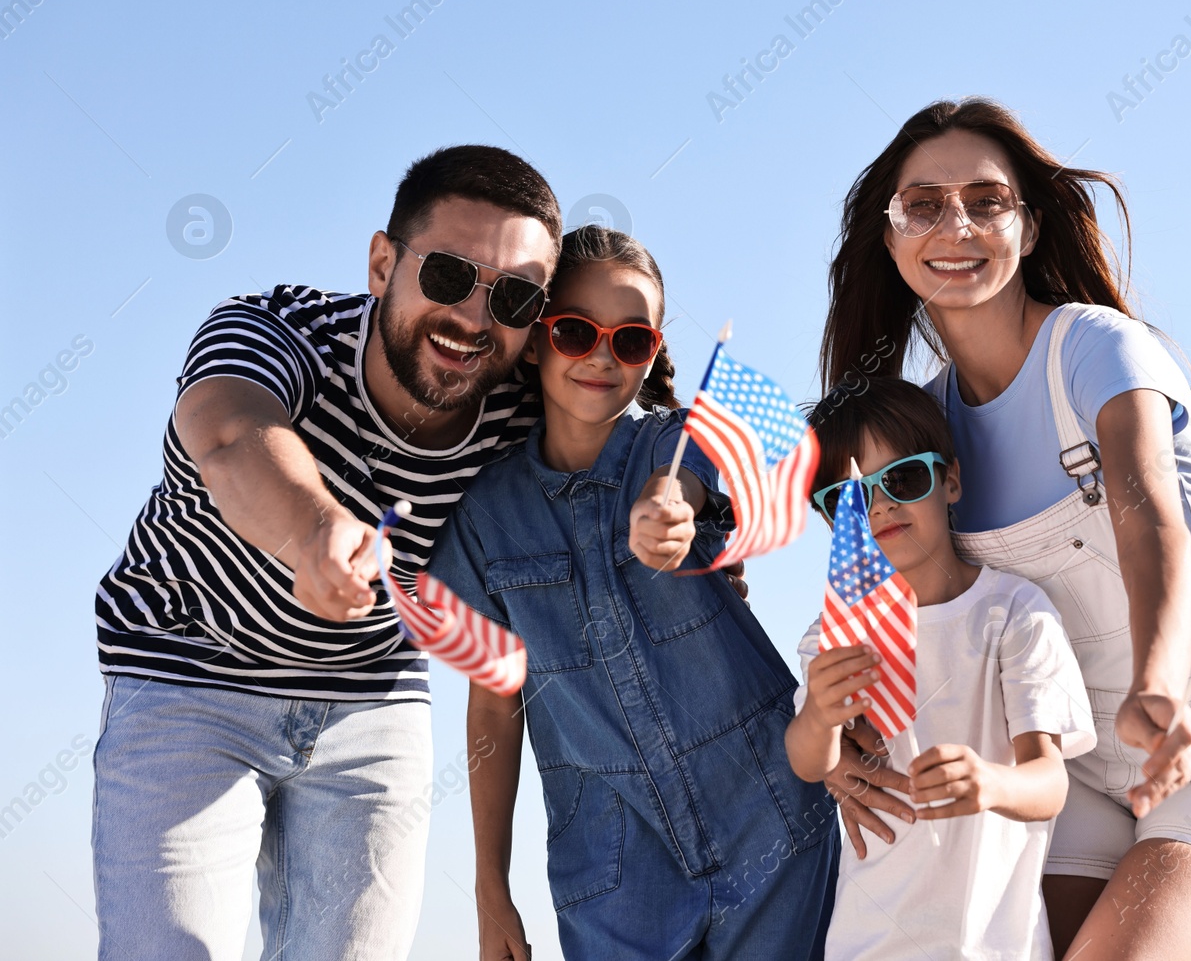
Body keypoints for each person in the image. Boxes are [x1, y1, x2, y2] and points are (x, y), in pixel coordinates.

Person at [818, 98, 1191, 960]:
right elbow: (905, 607)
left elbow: (1150, 522)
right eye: (924, 204)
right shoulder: (925, 431)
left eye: (987, 200)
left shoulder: (1095, 349)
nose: (957, 223)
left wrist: (1160, 685)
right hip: (1070, 768)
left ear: (1027, 224)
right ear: (890, 235)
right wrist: (843, 744)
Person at [91, 145, 565, 959]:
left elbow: (628, 454)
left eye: (515, 296)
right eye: (449, 276)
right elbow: (232, 428)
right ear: (383, 263)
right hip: (191, 669)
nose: (476, 321)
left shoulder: (520, 408)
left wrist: (705, 524)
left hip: (371, 698)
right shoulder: (276, 331)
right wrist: (314, 532)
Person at [427, 225, 838, 961]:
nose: (601, 357)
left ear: (652, 353)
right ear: (539, 337)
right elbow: (494, 701)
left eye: (631, 340)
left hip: (770, 820)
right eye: (578, 331)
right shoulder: (486, 514)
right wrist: (491, 887)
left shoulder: (673, 444)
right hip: (610, 869)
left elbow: (704, 467)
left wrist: (673, 503)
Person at [786, 379, 1095, 960]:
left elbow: (1049, 782)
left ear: (949, 479)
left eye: (901, 479)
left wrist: (990, 783)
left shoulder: (1013, 613)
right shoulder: (835, 634)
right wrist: (822, 718)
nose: (880, 506)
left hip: (998, 946)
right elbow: (811, 762)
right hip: (867, 945)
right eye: (849, 498)